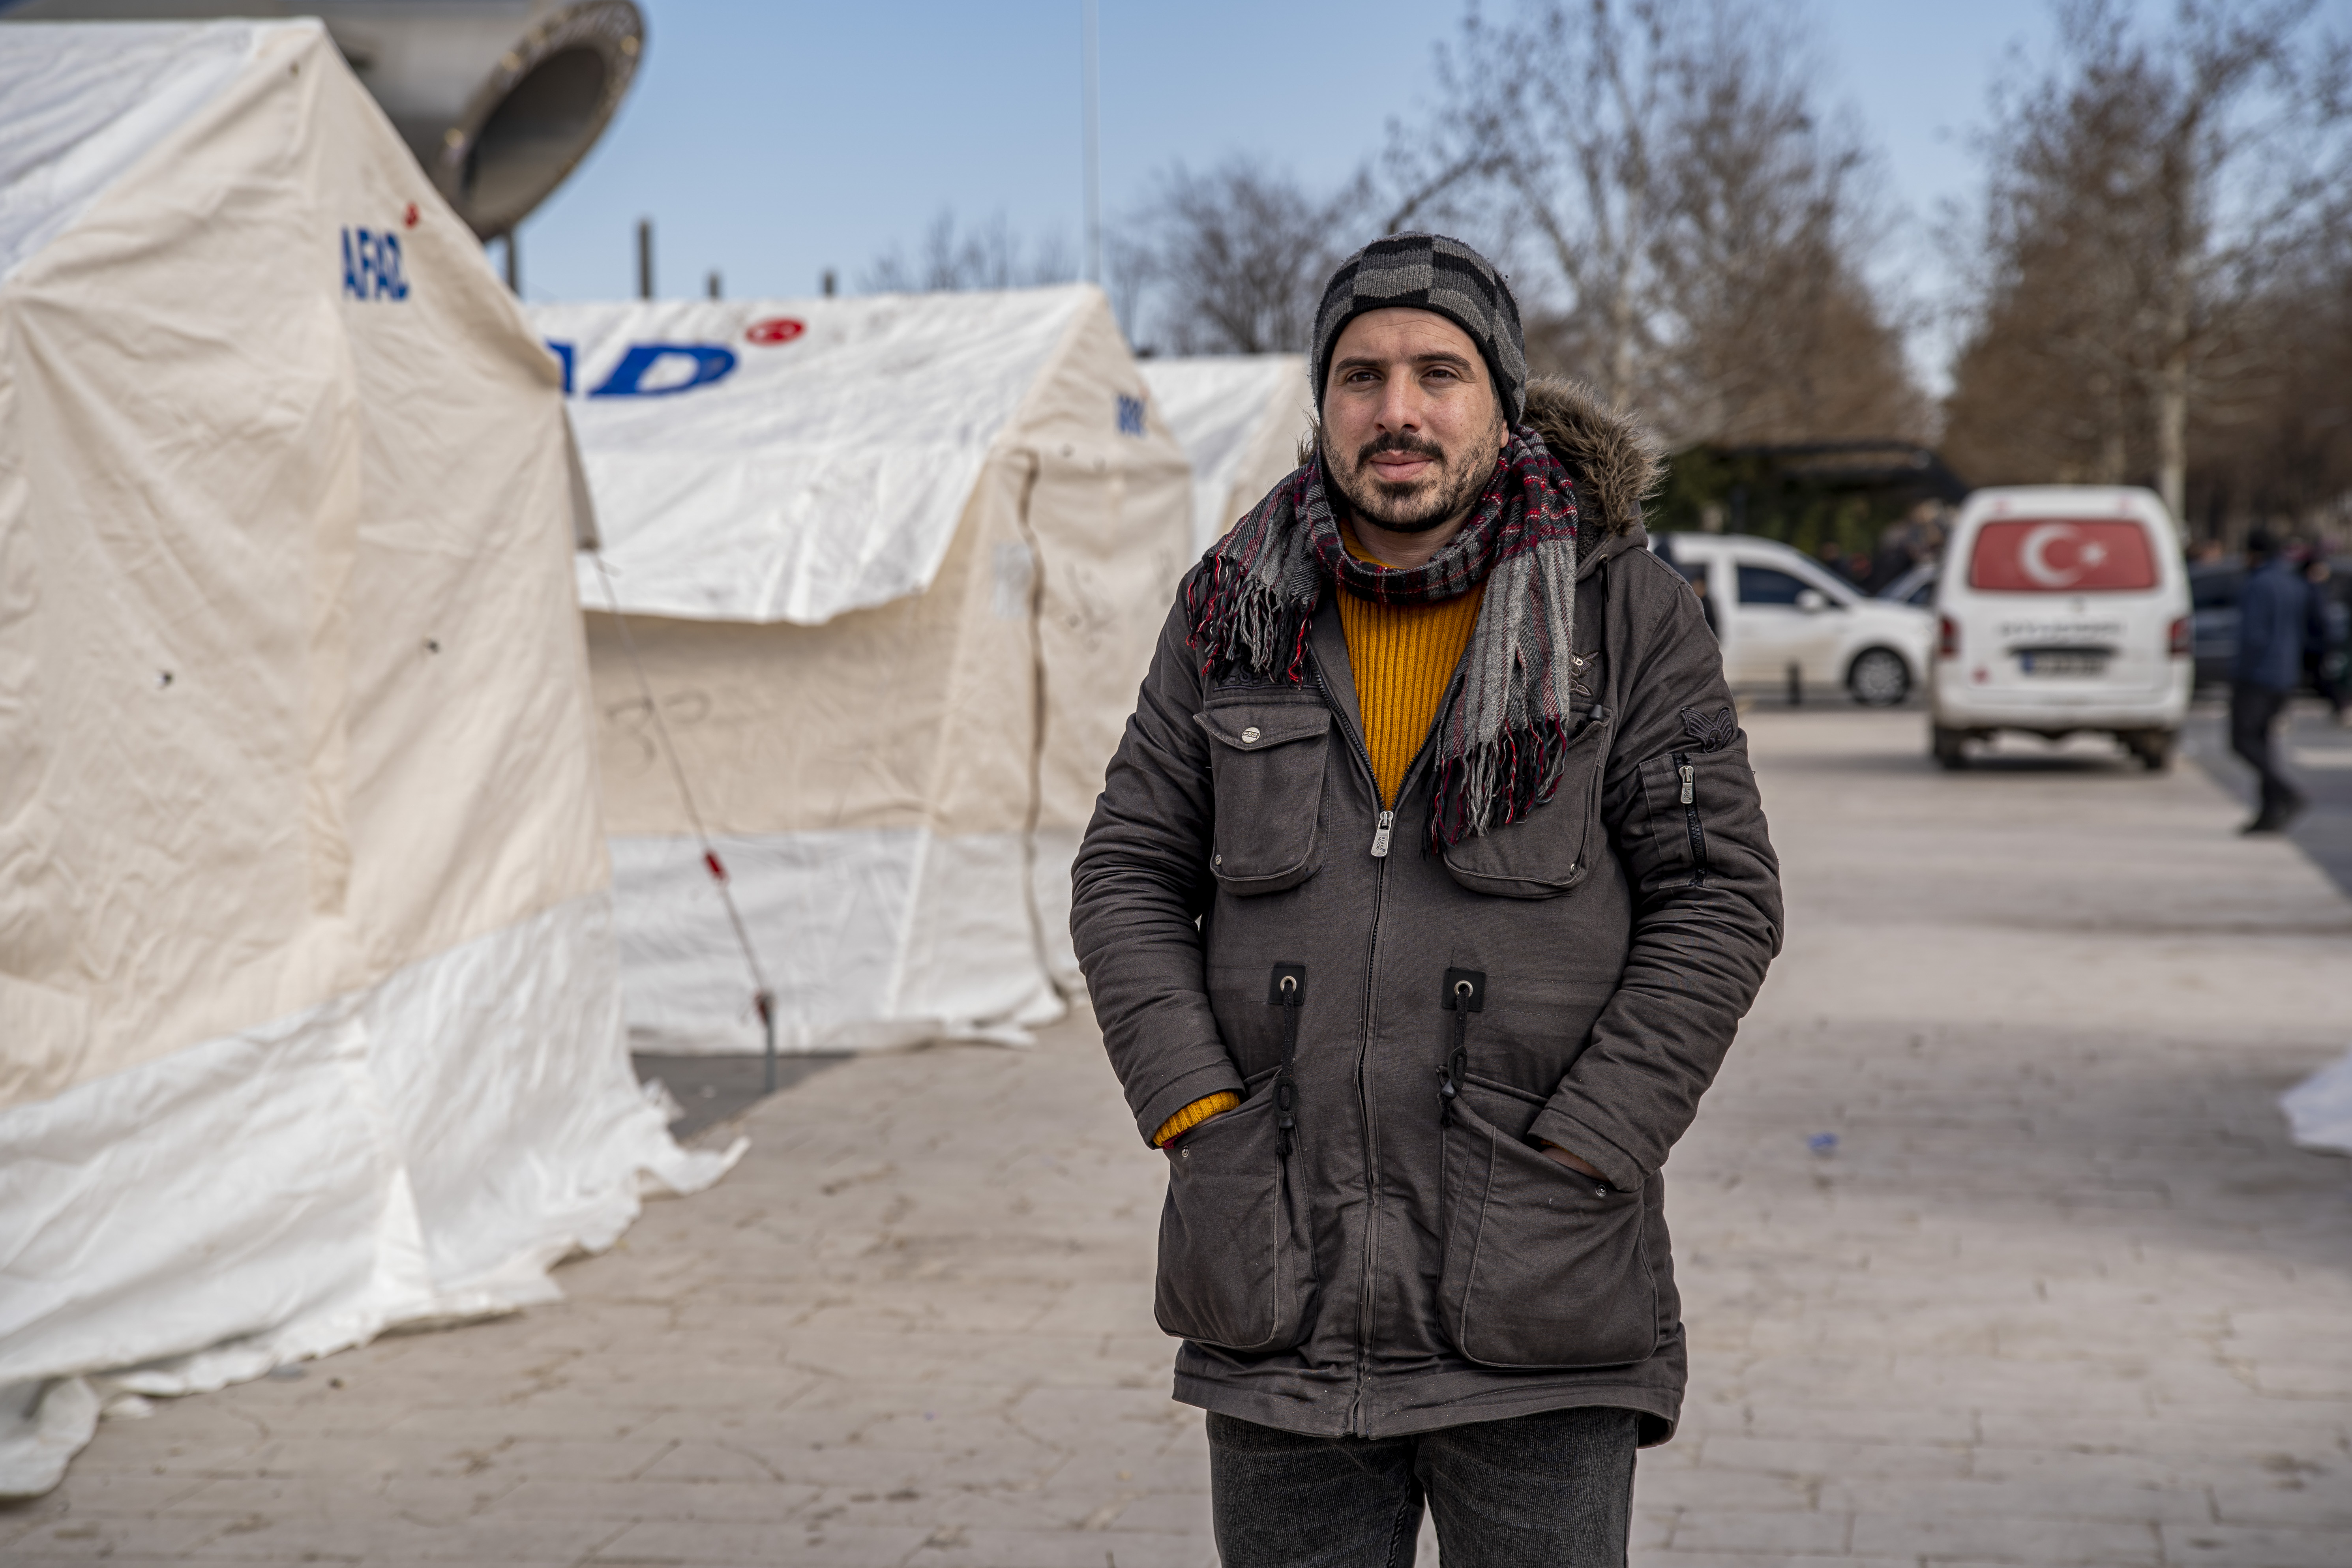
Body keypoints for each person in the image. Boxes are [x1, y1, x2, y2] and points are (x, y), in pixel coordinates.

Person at [1071, 234, 1784, 1567]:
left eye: (1436, 373)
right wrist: (1195, 1113)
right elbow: (1125, 870)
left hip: (1536, 1282)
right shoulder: (1228, 611)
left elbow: (1716, 897)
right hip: (1275, 1275)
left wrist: (1591, 1144)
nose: (1395, 409)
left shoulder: (1623, 613)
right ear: (1323, 404)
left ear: (1501, 405)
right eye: (1360, 375)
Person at [2231, 529, 2310, 832]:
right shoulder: (2293, 582)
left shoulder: (2259, 584)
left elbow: (2254, 635)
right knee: (2263, 742)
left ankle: (2285, 792)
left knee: (2242, 741)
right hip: (2285, 674)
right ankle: (2269, 810)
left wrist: (2240, 673)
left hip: (2257, 675)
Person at [2301, 550, 2348, 726]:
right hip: (2313, 642)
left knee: (2322, 678)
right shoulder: (2312, 590)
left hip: (2313, 642)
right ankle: (2342, 708)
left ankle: (2342, 707)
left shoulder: (2315, 589)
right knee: (2322, 677)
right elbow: (2320, 619)